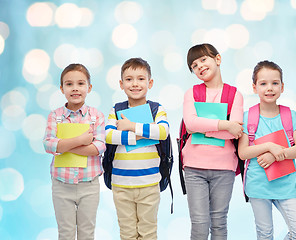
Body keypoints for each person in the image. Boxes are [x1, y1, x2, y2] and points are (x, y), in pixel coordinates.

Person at [238, 60, 296, 240]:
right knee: (265, 233)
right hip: (258, 185)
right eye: (263, 83)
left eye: (275, 83)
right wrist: (269, 146)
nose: (269, 88)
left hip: (286, 185)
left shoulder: (289, 115)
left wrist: (274, 156)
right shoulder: (248, 117)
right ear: (254, 87)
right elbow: (243, 152)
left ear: (282, 87)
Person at [182, 43, 244, 240]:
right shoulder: (191, 93)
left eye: (203, 59)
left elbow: (235, 132)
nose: (199, 66)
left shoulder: (235, 94)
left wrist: (204, 129)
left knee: (219, 223)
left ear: (217, 59)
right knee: (199, 225)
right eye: (193, 65)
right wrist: (224, 125)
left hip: (224, 168)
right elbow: (190, 124)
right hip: (194, 167)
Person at [105, 57, 169, 240]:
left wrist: (131, 126)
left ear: (150, 83)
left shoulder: (157, 109)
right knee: (127, 233)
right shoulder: (116, 109)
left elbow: (163, 132)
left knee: (148, 233)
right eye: (129, 79)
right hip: (121, 184)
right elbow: (109, 135)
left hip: (149, 183)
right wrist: (146, 134)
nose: (135, 84)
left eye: (141, 79)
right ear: (121, 83)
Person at [43, 63, 106, 240]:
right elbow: (49, 145)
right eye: (69, 84)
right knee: (65, 233)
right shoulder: (55, 116)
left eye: (80, 83)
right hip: (61, 185)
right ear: (62, 88)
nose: (75, 88)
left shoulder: (96, 116)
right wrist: (80, 141)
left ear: (89, 87)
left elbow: (99, 147)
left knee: (87, 233)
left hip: (89, 184)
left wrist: (63, 146)